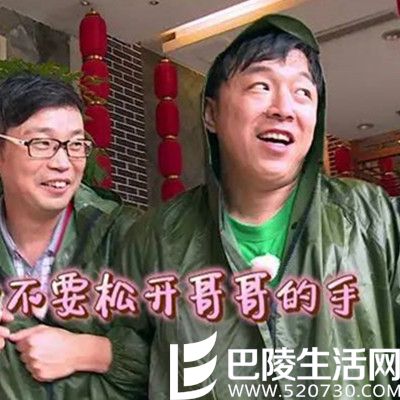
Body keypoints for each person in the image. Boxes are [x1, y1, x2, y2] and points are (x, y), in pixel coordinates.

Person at [118, 14, 400, 399]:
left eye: (303, 92)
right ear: (211, 113)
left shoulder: (374, 219)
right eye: (261, 86)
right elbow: (121, 370)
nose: (284, 108)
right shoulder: (154, 239)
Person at [0, 74, 148, 399]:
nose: (63, 163)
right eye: (42, 144)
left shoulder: (129, 235)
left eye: (76, 144)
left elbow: (192, 353)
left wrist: (90, 351)